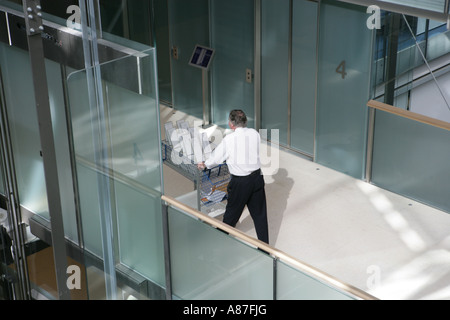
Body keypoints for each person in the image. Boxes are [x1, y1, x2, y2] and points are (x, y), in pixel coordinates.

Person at [197, 110, 269, 244]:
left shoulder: (229, 139)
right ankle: (265, 248)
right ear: (245, 121)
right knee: (260, 215)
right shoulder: (254, 134)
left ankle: (220, 242)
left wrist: (204, 165)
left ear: (231, 124)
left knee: (231, 214)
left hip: (240, 182)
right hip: (257, 178)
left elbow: (216, 158)